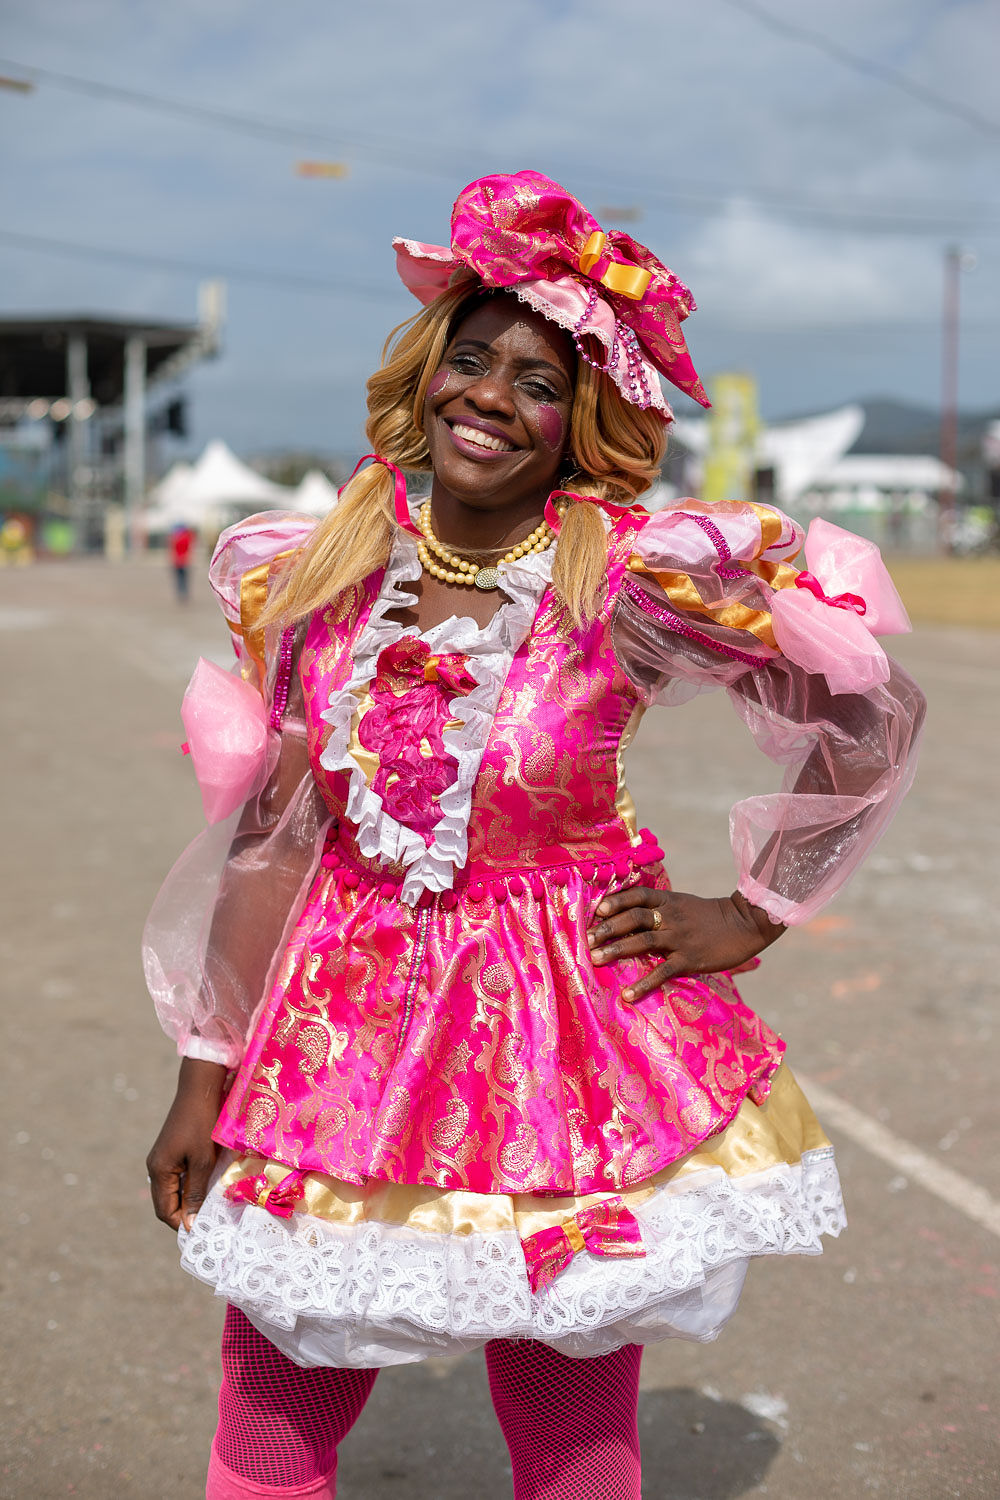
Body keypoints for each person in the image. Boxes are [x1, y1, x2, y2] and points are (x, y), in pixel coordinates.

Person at [144, 171, 925, 1500]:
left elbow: (869, 709)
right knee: (276, 1400)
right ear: (426, 374)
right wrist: (204, 1072)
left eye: (540, 381)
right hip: (338, 1048)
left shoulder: (628, 581)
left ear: (585, 422)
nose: (492, 397)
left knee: (568, 1419)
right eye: (472, 361)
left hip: (565, 1047)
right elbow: (277, 842)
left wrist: (746, 915)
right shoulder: (320, 577)